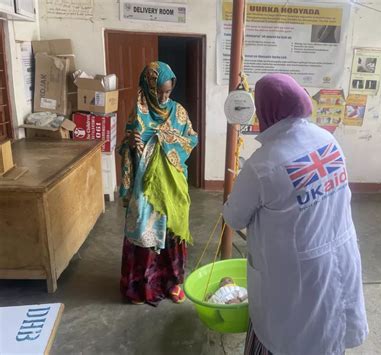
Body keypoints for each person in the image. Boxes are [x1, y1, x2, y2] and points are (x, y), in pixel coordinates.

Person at [223, 74, 368, 355]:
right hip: (336, 256)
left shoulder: (263, 165)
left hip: (295, 274)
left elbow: (234, 218)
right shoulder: (326, 140)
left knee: (289, 338)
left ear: (264, 110)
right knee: (327, 331)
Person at [119, 61, 198, 305]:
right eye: (159, 92)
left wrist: (167, 139)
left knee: (173, 229)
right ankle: (141, 287)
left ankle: (173, 282)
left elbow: (191, 140)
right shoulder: (138, 114)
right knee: (144, 229)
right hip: (145, 185)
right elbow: (124, 146)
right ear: (149, 88)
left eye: (168, 91)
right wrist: (131, 145)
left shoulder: (179, 112)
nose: (164, 96)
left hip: (172, 184)